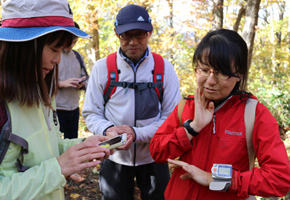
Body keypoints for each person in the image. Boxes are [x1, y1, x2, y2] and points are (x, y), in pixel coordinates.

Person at [149, 29, 290, 200]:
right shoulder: (186, 106)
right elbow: (157, 152)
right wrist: (192, 128)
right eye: (204, 69)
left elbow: (279, 179)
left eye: (222, 73)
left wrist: (216, 178)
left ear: (240, 74)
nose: (210, 80)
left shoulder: (254, 114)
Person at [0, 0, 112, 199]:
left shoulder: (37, 90)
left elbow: (43, 149)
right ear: (25, 44)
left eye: (62, 51)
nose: (58, 60)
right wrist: (58, 169)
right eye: (54, 49)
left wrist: (83, 146)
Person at [82, 4, 181, 200]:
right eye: (126, 35)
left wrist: (136, 134)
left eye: (140, 34)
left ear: (149, 33)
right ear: (117, 34)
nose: (133, 42)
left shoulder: (163, 68)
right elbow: (91, 113)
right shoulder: (103, 68)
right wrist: (109, 130)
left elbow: (172, 117)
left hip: (154, 155)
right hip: (113, 157)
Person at [56, 21, 89, 139]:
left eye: (74, 42)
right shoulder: (54, 55)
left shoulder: (77, 56)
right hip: (56, 109)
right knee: (55, 145)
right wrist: (60, 84)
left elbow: (87, 79)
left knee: (72, 142)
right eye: (69, 42)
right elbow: (41, 83)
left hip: (74, 109)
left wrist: (82, 84)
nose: (71, 46)